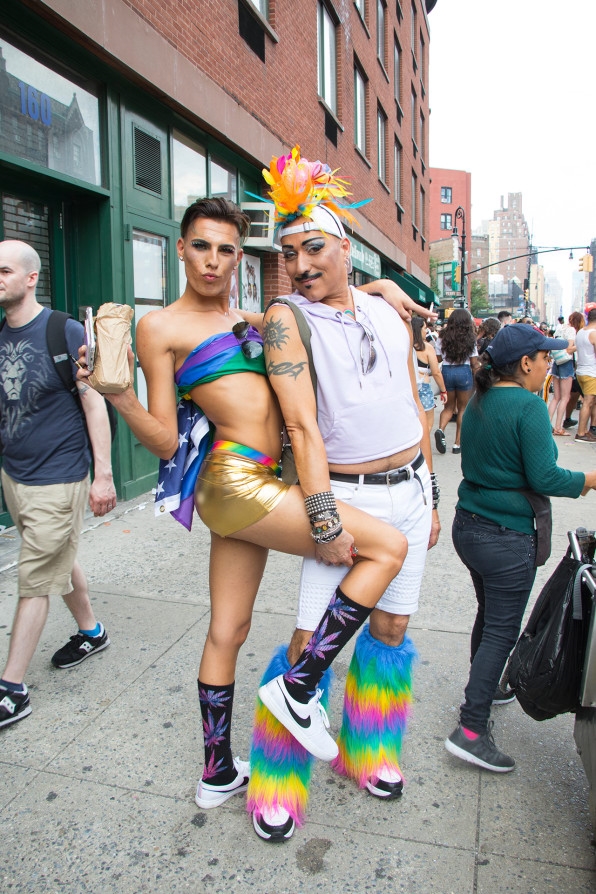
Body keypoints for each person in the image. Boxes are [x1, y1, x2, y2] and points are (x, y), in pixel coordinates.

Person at [77, 195, 431, 812]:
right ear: (181, 248)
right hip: (237, 481)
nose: (211, 261)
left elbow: (324, 299)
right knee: (386, 547)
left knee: (228, 629)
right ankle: (298, 690)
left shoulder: (257, 313)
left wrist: (375, 284)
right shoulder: (161, 326)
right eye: (200, 246)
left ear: (239, 257)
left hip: (258, 483)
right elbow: (163, 437)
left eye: (225, 250)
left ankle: (217, 772)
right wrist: (118, 396)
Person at [244, 148, 441, 842]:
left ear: (345, 246)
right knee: (310, 644)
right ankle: (276, 783)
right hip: (347, 498)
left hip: (410, 491)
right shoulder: (285, 317)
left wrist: (434, 495)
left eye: (314, 248)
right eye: (289, 253)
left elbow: (415, 399)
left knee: (390, 630)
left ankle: (369, 750)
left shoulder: (387, 305)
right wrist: (324, 518)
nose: (300, 266)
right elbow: (300, 423)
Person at [446, 323, 596, 772]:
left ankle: (486, 687)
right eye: (545, 357)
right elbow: (546, 478)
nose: (550, 363)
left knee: (488, 616)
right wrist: (589, 480)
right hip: (505, 537)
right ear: (525, 363)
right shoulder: (529, 408)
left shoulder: (482, 398)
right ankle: (472, 728)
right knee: (500, 629)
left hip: (469, 527)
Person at [0, 240, 116, 729]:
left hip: (58, 475)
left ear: (30, 278)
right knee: (56, 559)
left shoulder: (63, 331)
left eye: (2, 270)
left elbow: (94, 404)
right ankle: (91, 631)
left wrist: (104, 474)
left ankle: (11, 688)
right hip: (14, 474)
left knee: (35, 579)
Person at [434, 309, 479, 455]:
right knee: (462, 409)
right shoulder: (470, 338)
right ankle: (457, 444)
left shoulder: (442, 336)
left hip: (447, 371)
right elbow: (474, 362)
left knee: (448, 407)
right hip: (464, 371)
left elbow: (438, 359)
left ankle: (441, 430)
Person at [412, 315, 447, 433]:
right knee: (427, 425)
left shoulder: (405, 345)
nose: (426, 331)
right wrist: (443, 390)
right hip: (424, 389)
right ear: (418, 329)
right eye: (424, 328)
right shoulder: (427, 348)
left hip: (409, 388)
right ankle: (423, 449)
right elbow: (436, 372)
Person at [548, 317, 576, 436]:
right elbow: (569, 349)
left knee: (556, 397)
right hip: (566, 363)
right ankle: (558, 427)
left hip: (557, 363)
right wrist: (578, 346)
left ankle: (548, 425)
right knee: (565, 397)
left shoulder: (559, 329)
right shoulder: (572, 330)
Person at [575, 307, 596, 443]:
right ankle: (581, 432)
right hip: (591, 372)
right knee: (588, 403)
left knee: (591, 402)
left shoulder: (581, 332)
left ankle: (587, 431)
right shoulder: (594, 333)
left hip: (581, 371)